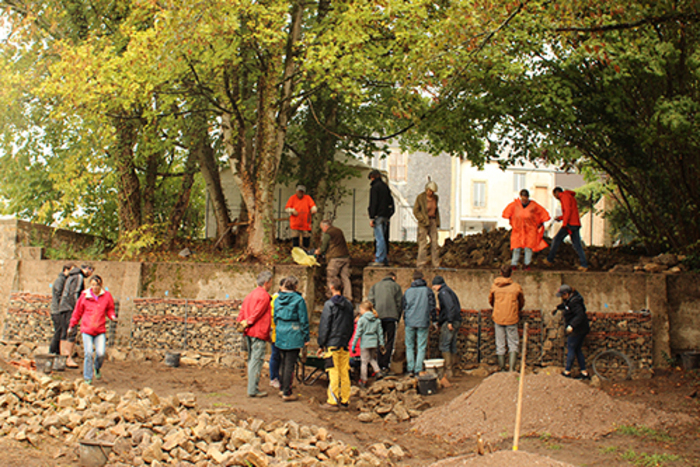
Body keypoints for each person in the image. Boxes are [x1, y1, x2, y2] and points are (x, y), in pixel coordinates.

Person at [68, 275, 117, 384]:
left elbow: (110, 309)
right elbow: (77, 312)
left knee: (101, 353)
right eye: (93, 285)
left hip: (100, 330)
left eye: (97, 285)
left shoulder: (106, 296)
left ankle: (97, 367)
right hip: (87, 329)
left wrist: (112, 316)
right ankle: (87, 377)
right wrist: (72, 324)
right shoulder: (84, 296)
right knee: (88, 353)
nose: (95, 287)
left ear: (101, 285)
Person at [317, 277, 355, 411]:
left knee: (333, 372)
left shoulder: (329, 305)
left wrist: (321, 344)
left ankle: (332, 401)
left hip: (332, 345)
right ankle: (345, 399)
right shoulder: (349, 305)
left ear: (332, 287)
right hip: (344, 344)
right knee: (344, 373)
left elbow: (325, 326)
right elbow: (351, 325)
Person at [237, 271, 273, 398]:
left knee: (252, 359)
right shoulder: (264, 296)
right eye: (271, 282)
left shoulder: (250, 295)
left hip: (248, 331)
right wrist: (250, 321)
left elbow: (242, 311)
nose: (271, 285)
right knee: (256, 360)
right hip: (258, 331)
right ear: (266, 282)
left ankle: (252, 387)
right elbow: (257, 313)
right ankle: (253, 388)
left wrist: (241, 323)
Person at [273, 275, 310, 402]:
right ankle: (286, 392)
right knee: (290, 364)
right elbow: (303, 319)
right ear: (295, 286)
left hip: (281, 331)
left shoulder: (277, 299)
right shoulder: (299, 300)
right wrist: (306, 336)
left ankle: (282, 388)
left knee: (283, 362)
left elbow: (275, 316)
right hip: (293, 332)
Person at [502, 189, 551, 271]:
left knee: (529, 248)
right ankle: (514, 264)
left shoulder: (534, 205)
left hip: (530, 230)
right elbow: (507, 213)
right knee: (516, 248)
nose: (524, 200)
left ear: (528, 197)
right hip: (518, 230)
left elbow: (543, 213)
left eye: (526, 198)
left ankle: (527, 264)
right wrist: (513, 222)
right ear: (520, 197)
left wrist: (540, 222)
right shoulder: (515, 205)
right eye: (523, 198)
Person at [488, 265, 525, 371]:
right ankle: (512, 369)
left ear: (500, 273)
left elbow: (491, 300)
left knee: (500, 343)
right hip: (512, 317)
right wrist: (517, 310)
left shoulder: (495, 286)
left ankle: (502, 368)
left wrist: (497, 308)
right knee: (513, 343)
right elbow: (521, 301)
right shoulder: (516, 287)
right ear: (511, 274)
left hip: (498, 317)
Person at [544, 187, 589, 271]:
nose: (556, 198)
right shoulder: (570, 196)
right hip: (575, 223)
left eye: (554, 196)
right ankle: (584, 265)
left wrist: (565, 224)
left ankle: (549, 260)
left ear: (557, 193)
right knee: (577, 245)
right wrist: (561, 218)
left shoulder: (564, 196)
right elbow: (570, 211)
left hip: (570, 224)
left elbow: (568, 210)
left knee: (556, 239)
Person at [58, 264, 94, 368]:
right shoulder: (79, 277)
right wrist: (77, 309)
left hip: (63, 306)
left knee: (64, 332)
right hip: (70, 308)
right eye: (91, 271)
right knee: (71, 332)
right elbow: (75, 294)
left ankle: (62, 358)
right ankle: (68, 358)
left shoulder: (71, 276)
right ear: (87, 269)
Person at [368, 272, 403, 373]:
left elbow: (371, 302)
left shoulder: (375, 286)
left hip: (378, 317)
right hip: (391, 317)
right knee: (390, 340)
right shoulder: (396, 286)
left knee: (380, 339)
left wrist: (373, 315)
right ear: (394, 277)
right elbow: (399, 303)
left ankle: (379, 363)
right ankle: (386, 364)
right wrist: (398, 316)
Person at [402, 270, 435, 376]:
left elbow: (404, 306)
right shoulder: (428, 291)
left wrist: (405, 318)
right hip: (423, 321)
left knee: (409, 346)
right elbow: (432, 307)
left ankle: (410, 369)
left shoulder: (408, 291)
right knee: (421, 346)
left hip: (410, 321)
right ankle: (418, 369)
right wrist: (434, 320)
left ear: (413, 280)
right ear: (423, 279)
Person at [555, 284, 591, 379]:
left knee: (571, 348)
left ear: (566, 294)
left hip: (577, 329)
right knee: (577, 349)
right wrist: (558, 307)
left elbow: (580, 315)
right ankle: (584, 372)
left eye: (562, 295)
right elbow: (567, 306)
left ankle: (567, 371)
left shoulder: (575, 302)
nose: (562, 297)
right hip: (581, 328)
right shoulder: (571, 300)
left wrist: (572, 325)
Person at [431, 276, 462, 377]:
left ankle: (448, 371)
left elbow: (450, 306)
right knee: (452, 344)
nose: (433, 288)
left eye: (434, 285)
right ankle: (453, 368)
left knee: (444, 344)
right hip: (457, 319)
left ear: (438, 285)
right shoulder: (449, 291)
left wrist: (449, 321)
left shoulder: (443, 293)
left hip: (451, 321)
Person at [315, 219, 352, 301]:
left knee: (331, 276)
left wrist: (318, 251)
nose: (322, 230)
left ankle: (331, 296)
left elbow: (323, 247)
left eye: (322, 228)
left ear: (326, 226)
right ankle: (348, 296)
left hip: (336, 258)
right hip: (346, 257)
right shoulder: (339, 230)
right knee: (345, 277)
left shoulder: (328, 233)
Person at [351, 301, 385, 387]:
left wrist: (354, 344)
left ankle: (363, 380)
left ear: (364, 309)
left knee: (364, 362)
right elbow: (380, 333)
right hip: (374, 343)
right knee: (371, 359)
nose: (360, 311)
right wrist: (382, 343)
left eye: (360, 309)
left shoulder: (362, 320)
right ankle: (377, 371)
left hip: (365, 343)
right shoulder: (376, 319)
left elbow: (358, 333)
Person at [368, 169, 395, 266]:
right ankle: (384, 258)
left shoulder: (375, 188)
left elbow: (373, 203)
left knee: (379, 238)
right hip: (386, 215)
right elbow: (391, 202)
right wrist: (389, 214)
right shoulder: (385, 187)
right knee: (384, 236)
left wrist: (372, 217)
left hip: (378, 215)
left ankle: (379, 258)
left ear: (372, 177)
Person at [414, 181, 441, 268]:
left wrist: (437, 222)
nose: (431, 193)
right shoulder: (420, 197)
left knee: (435, 243)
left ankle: (435, 263)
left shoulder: (435, 198)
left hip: (432, 221)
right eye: (430, 191)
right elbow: (416, 210)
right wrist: (422, 219)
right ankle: (421, 263)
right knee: (423, 243)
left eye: (432, 191)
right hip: (423, 223)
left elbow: (436, 211)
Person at [49, 264, 73, 355]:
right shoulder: (60, 280)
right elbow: (59, 294)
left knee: (60, 331)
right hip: (57, 310)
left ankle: (56, 351)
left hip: (58, 309)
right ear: (65, 270)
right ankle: (53, 351)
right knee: (58, 331)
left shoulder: (64, 280)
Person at [285, 185, 317, 249]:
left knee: (306, 238)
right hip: (295, 223)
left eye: (302, 192)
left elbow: (313, 206)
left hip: (305, 223)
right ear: (296, 191)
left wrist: (314, 209)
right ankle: (296, 252)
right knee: (295, 238)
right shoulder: (292, 198)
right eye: (299, 191)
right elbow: (287, 208)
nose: (300, 193)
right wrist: (292, 210)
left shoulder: (308, 198)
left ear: (304, 192)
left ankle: (305, 252)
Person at [268, 279, 286, 390]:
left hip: (283, 332)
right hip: (276, 332)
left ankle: (282, 378)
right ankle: (274, 377)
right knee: (275, 355)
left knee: (282, 357)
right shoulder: (274, 299)